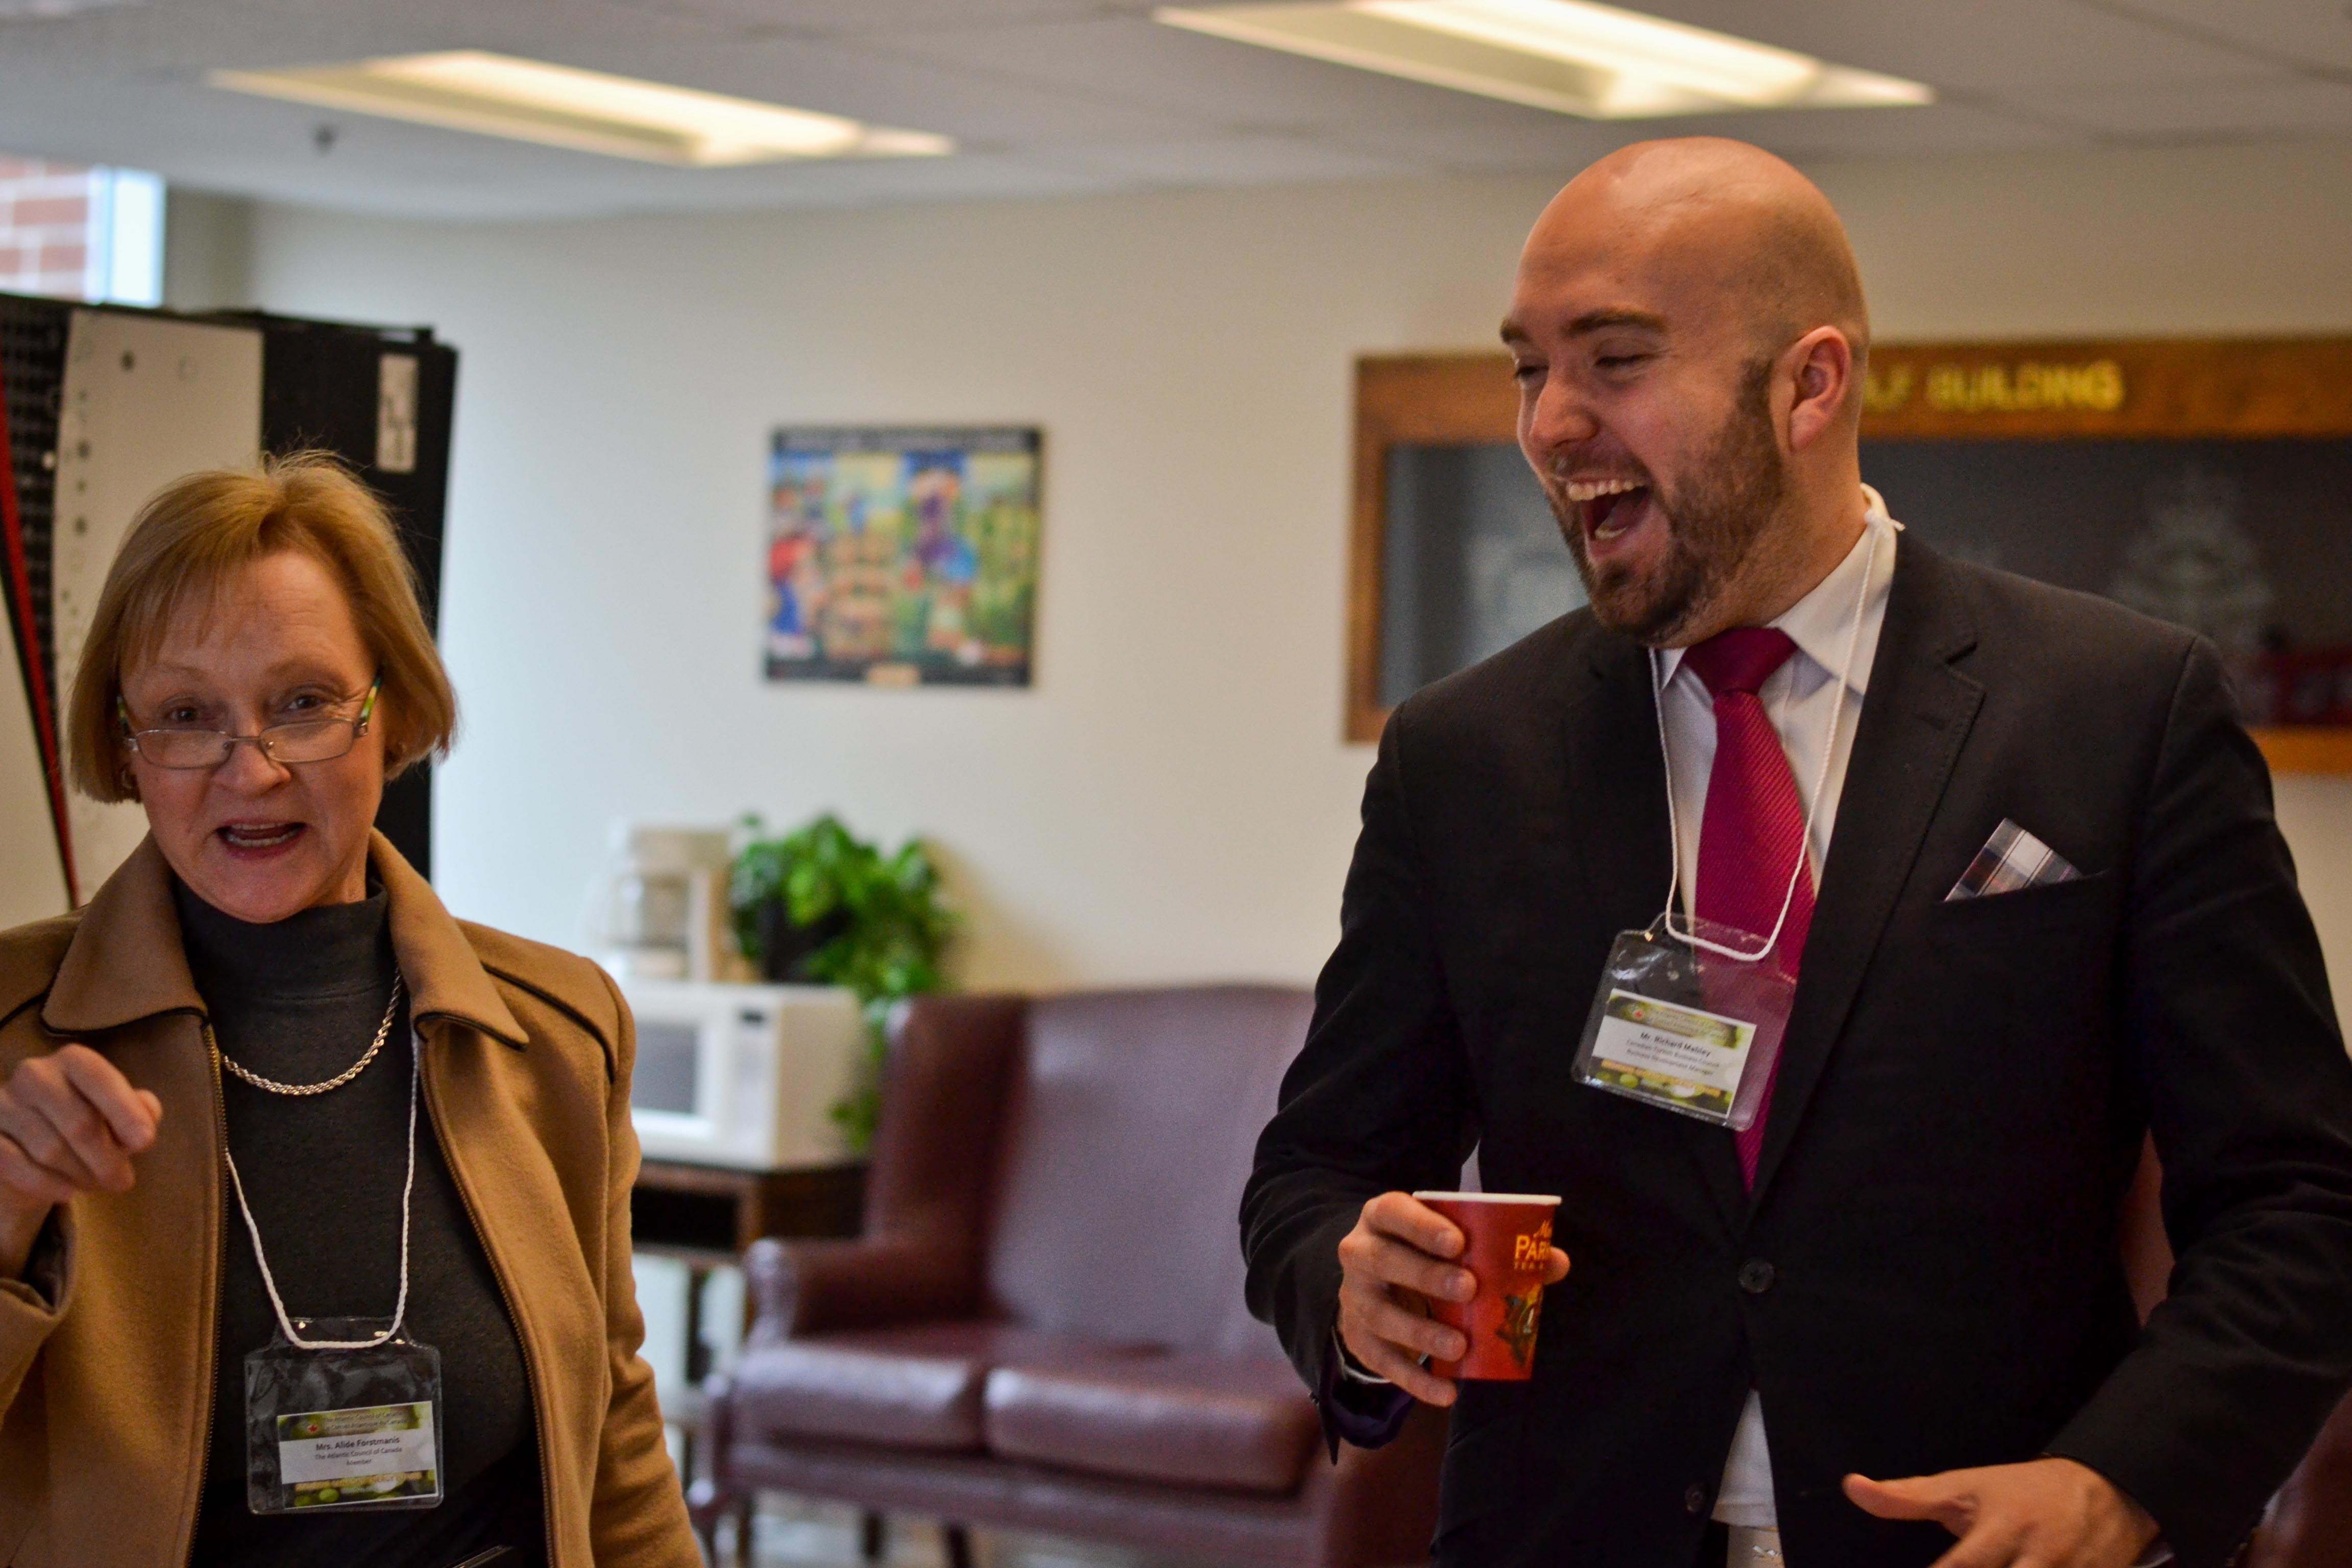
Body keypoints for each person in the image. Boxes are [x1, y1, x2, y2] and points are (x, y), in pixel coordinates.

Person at [1241, 138, 2352, 1568]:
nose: (1551, 424)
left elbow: (2297, 1201)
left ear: (1810, 386)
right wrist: (1351, 1289)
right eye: (1528, 368)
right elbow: (1316, 1172)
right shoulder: (1464, 755)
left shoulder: (2118, 712)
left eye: (1616, 361)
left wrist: (2121, 1484)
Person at [0, 454, 701, 1567]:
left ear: (394, 709)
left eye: (304, 704)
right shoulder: (16, 1040)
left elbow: (611, 1442)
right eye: (185, 716)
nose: (252, 771)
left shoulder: (558, 1034)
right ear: (127, 750)